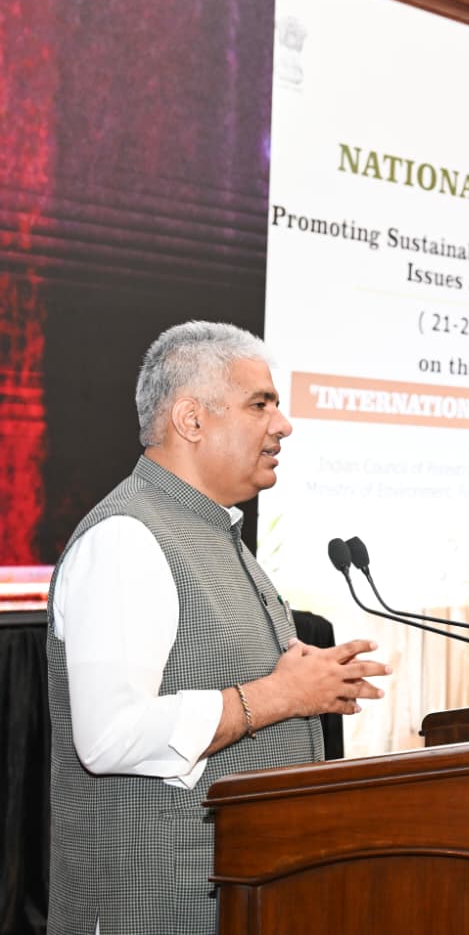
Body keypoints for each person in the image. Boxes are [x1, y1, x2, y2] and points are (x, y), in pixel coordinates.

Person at [46, 321, 391, 935]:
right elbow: (109, 736)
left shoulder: (215, 531)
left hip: (239, 896)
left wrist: (302, 681)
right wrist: (280, 695)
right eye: (261, 404)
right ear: (191, 419)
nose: (283, 425)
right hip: (154, 909)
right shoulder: (126, 537)